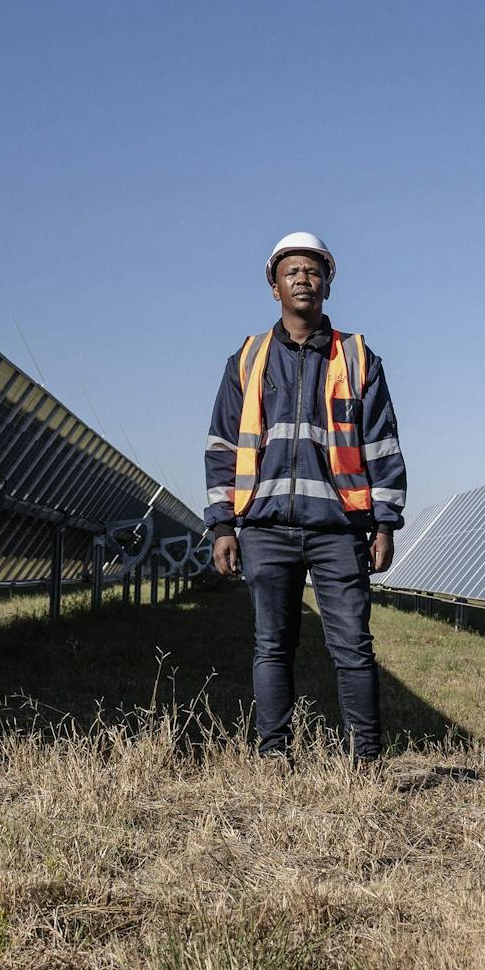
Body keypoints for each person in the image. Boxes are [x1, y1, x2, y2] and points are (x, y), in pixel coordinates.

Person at [206, 232, 407, 759]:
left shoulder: (358, 358)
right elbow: (222, 445)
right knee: (272, 646)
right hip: (265, 529)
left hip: (339, 531)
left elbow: (382, 444)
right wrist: (222, 525)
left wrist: (385, 523)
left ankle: (366, 759)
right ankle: (274, 755)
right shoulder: (247, 359)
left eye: (313, 271)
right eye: (291, 271)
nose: (303, 279)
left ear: (328, 286)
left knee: (353, 647)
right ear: (274, 287)